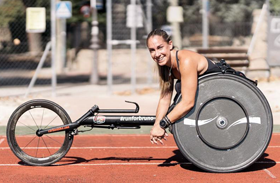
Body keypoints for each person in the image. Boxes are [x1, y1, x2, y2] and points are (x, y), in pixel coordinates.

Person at [146, 29, 220, 145]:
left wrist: (163, 124)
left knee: (174, 114)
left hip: (223, 95)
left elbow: (188, 102)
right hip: (207, 100)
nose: (157, 54)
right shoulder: (166, 66)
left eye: (160, 47)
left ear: (170, 44)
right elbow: (165, 98)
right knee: (173, 111)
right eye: (152, 50)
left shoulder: (185, 60)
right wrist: (157, 124)